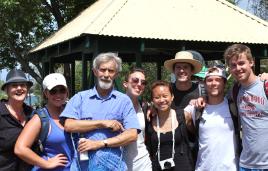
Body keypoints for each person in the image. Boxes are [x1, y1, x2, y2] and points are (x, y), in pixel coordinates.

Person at [60, 52, 140, 171]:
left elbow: (132, 134)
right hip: (82, 167)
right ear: (95, 72)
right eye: (103, 70)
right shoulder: (80, 98)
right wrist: (102, 123)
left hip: (114, 167)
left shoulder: (123, 101)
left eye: (111, 71)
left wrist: (100, 143)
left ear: (116, 74)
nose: (106, 75)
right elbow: (69, 125)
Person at [15, 73, 76, 171]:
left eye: (62, 90)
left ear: (67, 92)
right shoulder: (40, 118)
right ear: (46, 94)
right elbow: (20, 148)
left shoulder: (73, 113)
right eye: (53, 91)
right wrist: (46, 163)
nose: (58, 95)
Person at [184, 66, 238, 171]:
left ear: (224, 83)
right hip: (203, 167)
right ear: (204, 84)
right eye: (209, 80)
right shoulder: (196, 107)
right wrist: (153, 108)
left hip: (231, 168)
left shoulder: (234, 107)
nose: (214, 83)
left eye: (218, 80)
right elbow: (173, 115)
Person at [224, 44, 268, 171]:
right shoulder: (235, 90)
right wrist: (202, 99)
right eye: (233, 65)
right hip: (246, 164)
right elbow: (216, 99)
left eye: (241, 63)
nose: (238, 68)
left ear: (251, 62)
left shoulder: (265, 86)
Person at [145, 80, 194, 171]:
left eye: (165, 96)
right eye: (157, 97)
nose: (162, 100)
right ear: (152, 100)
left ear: (172, 97)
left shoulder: (183, 116)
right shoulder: (149, 119)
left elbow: (195, 137)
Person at [0, 69, 33, 171]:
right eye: (14, 85)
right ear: (6, 90)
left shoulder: (32, 114)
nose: (19, 88)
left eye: (23, 85)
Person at [122, 67, 152, 171]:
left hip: (143, 163)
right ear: (125, 84)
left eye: (143, 82)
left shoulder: (145, 108)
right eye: (135, 80)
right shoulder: (116, 106)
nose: (139, 84)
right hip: (121, 163)